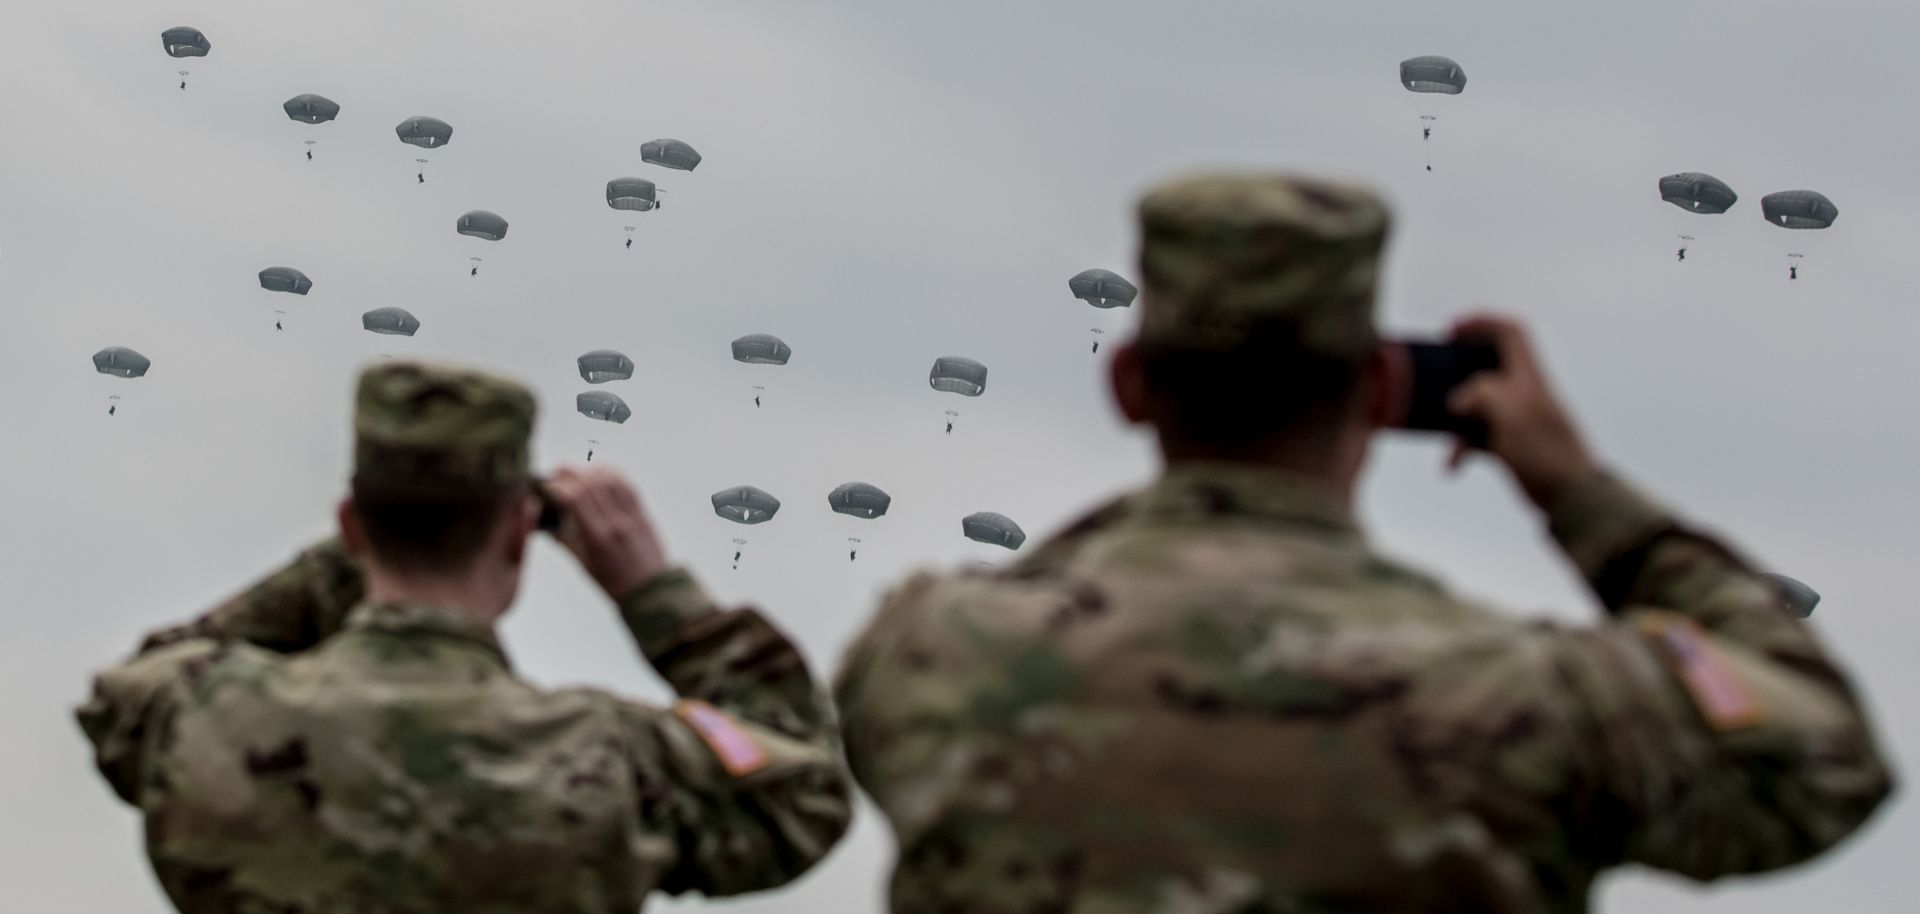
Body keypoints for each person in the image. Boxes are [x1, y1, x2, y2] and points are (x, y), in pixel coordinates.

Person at [834, 172, 1893, 914]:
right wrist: (1578, 490)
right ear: (1384, 390)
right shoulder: (1536, 695)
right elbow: (1828, 762)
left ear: (1128, 383)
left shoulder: (932, 654)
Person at [77, 361, 852, 914]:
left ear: (352, 523)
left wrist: (347, 560)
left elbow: (126, 692)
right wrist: (657, 597)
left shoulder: (201, 717)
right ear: (520, 532)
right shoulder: (606, 757)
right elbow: (802, 788)